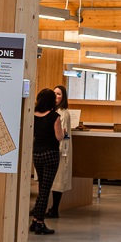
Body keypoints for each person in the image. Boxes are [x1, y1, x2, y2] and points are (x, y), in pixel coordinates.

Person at [30, 88, 64, 236]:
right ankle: (40, 223)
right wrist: (64, 132)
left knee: (41, 188)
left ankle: (34, 221)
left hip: (37, 154)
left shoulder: (33, 115)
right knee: (45, 190)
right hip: (50, 155)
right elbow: (59, 137)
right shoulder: (54, 116)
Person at [47, 85, 72, 219]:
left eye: (59, 94)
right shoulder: (51, 111)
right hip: (50, 148)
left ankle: (54, 208)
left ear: (63, 97)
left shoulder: (64, 113)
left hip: (60, 151)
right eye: (54, 93)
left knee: (59, 180)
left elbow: (64, 134)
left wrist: (62, 150)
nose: (56, 96)